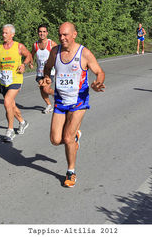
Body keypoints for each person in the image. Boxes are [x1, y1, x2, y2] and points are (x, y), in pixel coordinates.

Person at [40, 22, 105, 188]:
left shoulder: (84, 53)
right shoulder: (55, 51)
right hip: (60, 101)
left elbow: (99, 71)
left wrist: (98, 82)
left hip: (79, 102)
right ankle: (75, 137)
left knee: (67, 138)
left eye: (65, 35)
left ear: (74, 34)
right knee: (55, 140)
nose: (62, 38)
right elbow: (47, 68)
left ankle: (71, 172)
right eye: (60, 34)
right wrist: (47, 78)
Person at [0, 24, 33, 142]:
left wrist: (24, 64)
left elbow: (28, 55)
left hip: (16, 79)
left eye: (6, 33)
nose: (3, 35)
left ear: (12, 34)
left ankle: (10, 130)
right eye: (3, 33)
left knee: (7, 101)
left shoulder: (19, 46)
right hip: (4, 80)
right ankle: (22, 122)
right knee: (11, 105)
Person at [31, 24, 58, 114]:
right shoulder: (35, 44)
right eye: (40, 32)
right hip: (40, 72)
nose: (42, 34)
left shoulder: (51, 44)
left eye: (44, 32)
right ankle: (49, 105)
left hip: (50, 71)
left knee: (46, 89)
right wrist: (31, 62)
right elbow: (31, 54)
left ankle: (58, 96)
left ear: (47, 33)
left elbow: (59, 55)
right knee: (42, 89)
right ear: (38, 33)